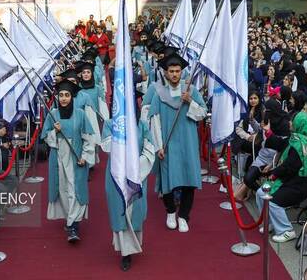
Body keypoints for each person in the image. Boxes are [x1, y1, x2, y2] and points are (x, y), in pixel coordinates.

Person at [148, 53, 207, 232]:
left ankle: (183, 216)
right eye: (171, 71)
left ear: (182, 72)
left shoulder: (191, 90)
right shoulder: (159, 93)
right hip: (168, 142)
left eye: (177, 71)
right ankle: (171, 211)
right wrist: (158, 145)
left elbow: (203, 113)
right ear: (165, 73)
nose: (174, 74)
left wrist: (190, 102)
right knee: (167, 178)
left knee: (188, 179)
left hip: (188, 142)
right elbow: (154, 119)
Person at [41, 79, 95, 242]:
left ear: (72, 97)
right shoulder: (53, 114)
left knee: (74, 189)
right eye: (61, 95)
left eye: (67, 95)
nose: (63, 98)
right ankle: (70, 219)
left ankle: (73, 226)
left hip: (76, 157)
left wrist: (85, 157)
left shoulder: (80, 114)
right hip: (58, 158)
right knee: (63, 189)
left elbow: (88, 137)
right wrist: (55, 132)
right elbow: (45, 136)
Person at [101, 118, 155, 271]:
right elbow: (105, 145)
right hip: (116, 175)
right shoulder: (110, 123)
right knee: (120, 211)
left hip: (137, 174)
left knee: (135, 210)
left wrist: (135, 167)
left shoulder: (142, 125)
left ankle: (132, 245)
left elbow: (149, 149)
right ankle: (126, 253)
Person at [256, 112, 307, 243]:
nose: (289, 123)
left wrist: (273, 173)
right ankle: (270, 223)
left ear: (298, 124)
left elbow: (289, 167)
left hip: (300, 185)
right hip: (291, 180)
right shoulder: (296, 138)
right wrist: (268, 133)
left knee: (271, 200)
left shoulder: (299, 144)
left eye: (292, 121)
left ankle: (286, 230)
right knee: (260, 192)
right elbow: (280, 144)